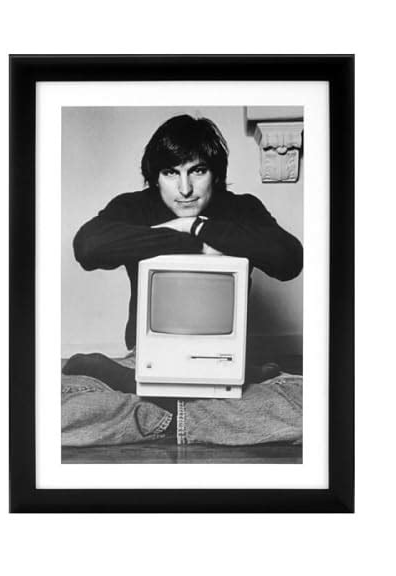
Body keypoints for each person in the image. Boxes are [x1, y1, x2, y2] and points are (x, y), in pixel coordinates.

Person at [63, 114, 303, 415]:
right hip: (147, 357)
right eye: (170, 173)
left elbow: (289, 259)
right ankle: (196, 411)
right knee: (58, 409)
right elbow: (87, 247)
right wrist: (185, 238)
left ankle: (149, 403)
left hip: (223, 359)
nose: (185, 188)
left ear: (215, 174)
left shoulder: (241, 208)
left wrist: (197, 226)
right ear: (155, 178)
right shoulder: (135, 207)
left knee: (312, 405)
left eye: (197, 171)